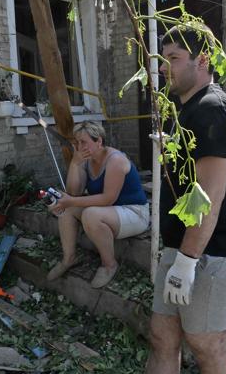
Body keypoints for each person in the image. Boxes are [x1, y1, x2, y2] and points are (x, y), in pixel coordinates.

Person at [87, 23, 226, 374]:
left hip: (211, 255)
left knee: (207, 346)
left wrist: (188, 261)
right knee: (163, 338)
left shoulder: (214, 110)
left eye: (174, 57)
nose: (163, 67)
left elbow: (209, 198)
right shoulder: (184, 110)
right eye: (162, 58)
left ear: (203, 61)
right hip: (181, 251)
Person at [46, 121, 149, 289]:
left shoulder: (115, 160)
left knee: (90, 214)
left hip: (135, 212)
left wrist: (70, 200)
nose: (79, 147)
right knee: (66, 208)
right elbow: (73, 192)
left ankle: (109, 265)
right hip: (109, 211)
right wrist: (74, 163)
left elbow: (108, 198)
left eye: (84, 142)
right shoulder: (85, 160)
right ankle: (69, 258)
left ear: (99, 141)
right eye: (77, 143)